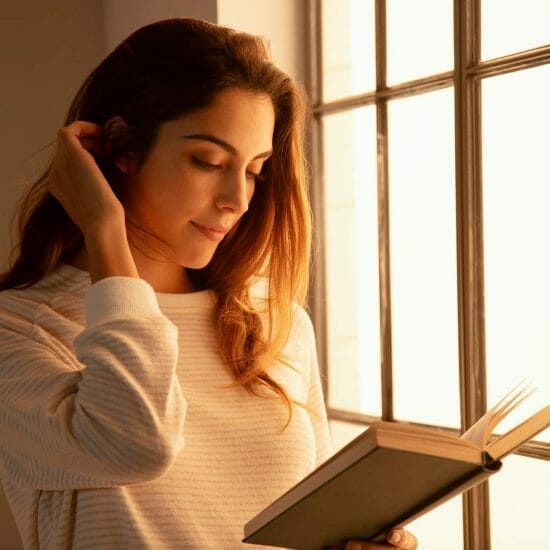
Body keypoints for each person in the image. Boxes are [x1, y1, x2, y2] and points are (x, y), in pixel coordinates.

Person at [0, 18, 417, 550]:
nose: (237, 200)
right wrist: (102, 228)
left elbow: (306, 527)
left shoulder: (276, 325)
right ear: (120, 150)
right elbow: (135, 445)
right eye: (209, 161)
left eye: (253, 170)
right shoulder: (22, 328)